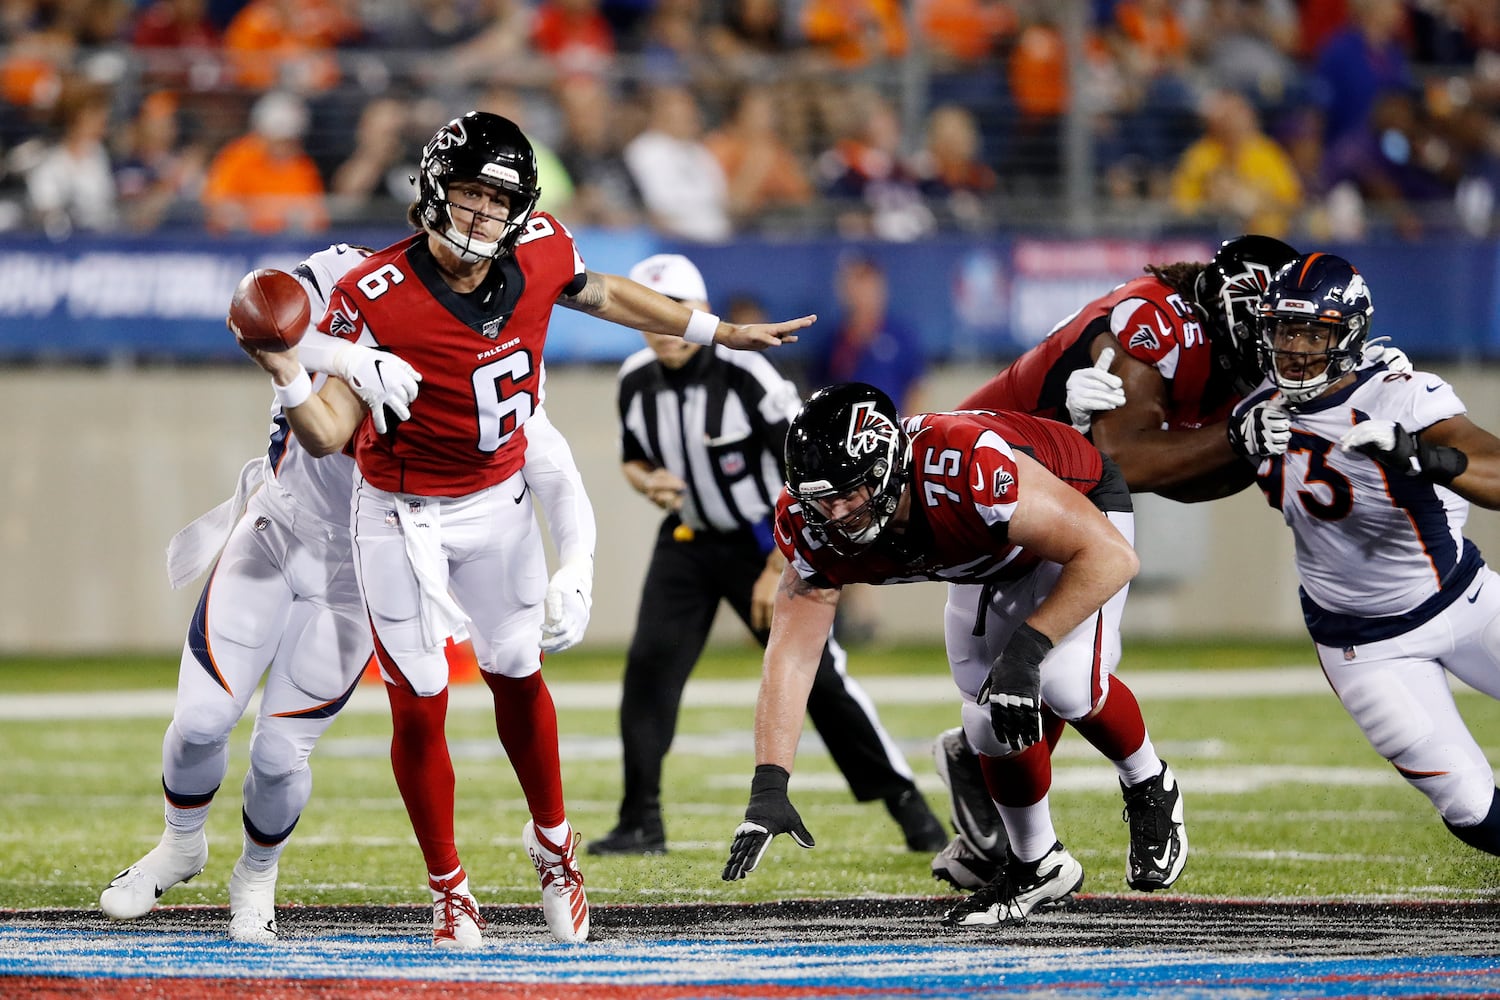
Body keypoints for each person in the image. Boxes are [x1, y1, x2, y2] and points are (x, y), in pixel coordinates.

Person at [237, 111, 814, 947]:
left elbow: (607, 291)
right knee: (420, 703)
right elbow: (327, 432)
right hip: (395, 511)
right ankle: (449, 887)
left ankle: (554, 850)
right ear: (435, 191)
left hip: (496, 502)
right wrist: (288, 372)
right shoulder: (377, 295)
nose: (480, 215)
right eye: (468, 194)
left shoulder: (540, 247)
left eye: (497, 199)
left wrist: (715, 330)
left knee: (516, 673)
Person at [927, 234, 1306, 893]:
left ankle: (1124, 792)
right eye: (1272, 324)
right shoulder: (1154, 325)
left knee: (1061, 679)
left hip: (1057, 487)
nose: (1283, 344)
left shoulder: (1221, 350)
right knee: (999, 699)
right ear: (1235, 305)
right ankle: (1003, 803)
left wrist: (1238, 446)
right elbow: (1126, 460)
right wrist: (1235, 437)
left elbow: (1175, 476)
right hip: (995, 485)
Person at [719, 382, 1159, 929]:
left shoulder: (963, 468)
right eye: (819, 499)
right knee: (986, 719)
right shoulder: (816, 524)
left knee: (1065, 682)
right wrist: (769, 785)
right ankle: (1038, 864)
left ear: (885, 465)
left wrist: (1026, 648)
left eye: (846, 493)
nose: (833, 514)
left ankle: (1147, 781)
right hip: (984, 556)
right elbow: (791, 656)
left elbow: (1110, 556)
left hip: (1078, 521)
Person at [98, 243, 427, 941]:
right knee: (200, 722)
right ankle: (181, 843)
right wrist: (349, 358)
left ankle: (257, 874)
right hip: (277, 529)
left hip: (362, 566)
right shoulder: (349, 270)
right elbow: (252, 315)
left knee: (280, 757)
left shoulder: (477, 325)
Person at [589, 253, 945, 857]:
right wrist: (648, 482)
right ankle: (640, 820)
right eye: (653, 311)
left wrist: (776, 565)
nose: (663, 323)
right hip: (687, 538)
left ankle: (909, 806)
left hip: (765, 539)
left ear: (703, 312)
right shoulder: (634, 378)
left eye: (679, 308)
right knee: (648, 671)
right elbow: (632, 456)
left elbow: (807, 473)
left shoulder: (743, 373)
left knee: (821, 681)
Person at [1227, 251, 1500, 857]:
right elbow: (1178, 469)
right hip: (1363, 646)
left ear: (1347, 336)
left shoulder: (1401, 397)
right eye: (1284, 330)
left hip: (1461, 600)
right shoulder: (1254, 415)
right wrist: (1227, 436)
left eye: (1314, 332)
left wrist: (1419, 455)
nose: (1296, 348)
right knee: (1470, 806)